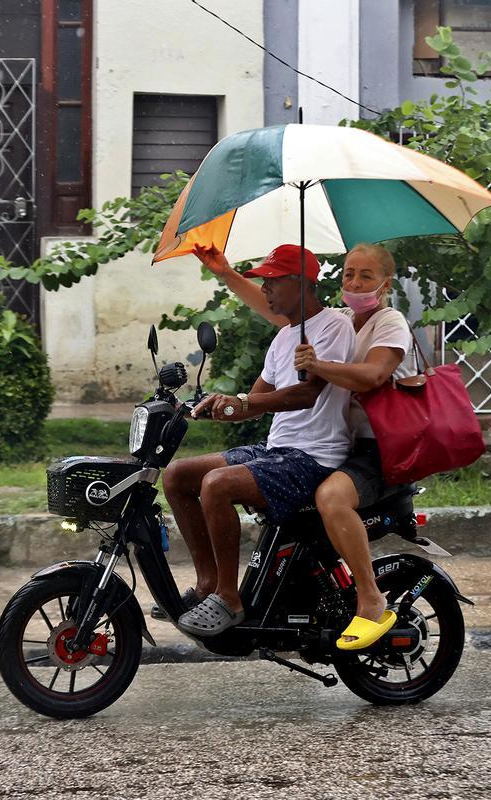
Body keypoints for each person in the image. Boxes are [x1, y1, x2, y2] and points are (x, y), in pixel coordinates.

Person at [193, 240, 415, 651]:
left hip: (381, 448)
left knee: (331, 497)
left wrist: (315, 365)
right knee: (186, 474)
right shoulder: (341, 320)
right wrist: (226, 273)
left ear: (385, 284)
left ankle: (370, 598)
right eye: (349, 274)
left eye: (366, 275)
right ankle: (214, 589)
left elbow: (372, 376)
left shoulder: (389, 322)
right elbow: (277, 309)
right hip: (344, 444)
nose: (354, 282)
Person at [163, 244, 356, 637]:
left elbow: (307, 394)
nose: (265, 290)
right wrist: (217, 405)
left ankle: (230, 599)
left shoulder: (334, 326)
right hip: (276, 452)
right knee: (178, 475)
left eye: (272, 281)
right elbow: (254, 401)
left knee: (217, 484)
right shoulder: (284, 337)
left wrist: (246, 402)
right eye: (263, 282)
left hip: (313, 458)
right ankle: (208, 585)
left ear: (301, 283)